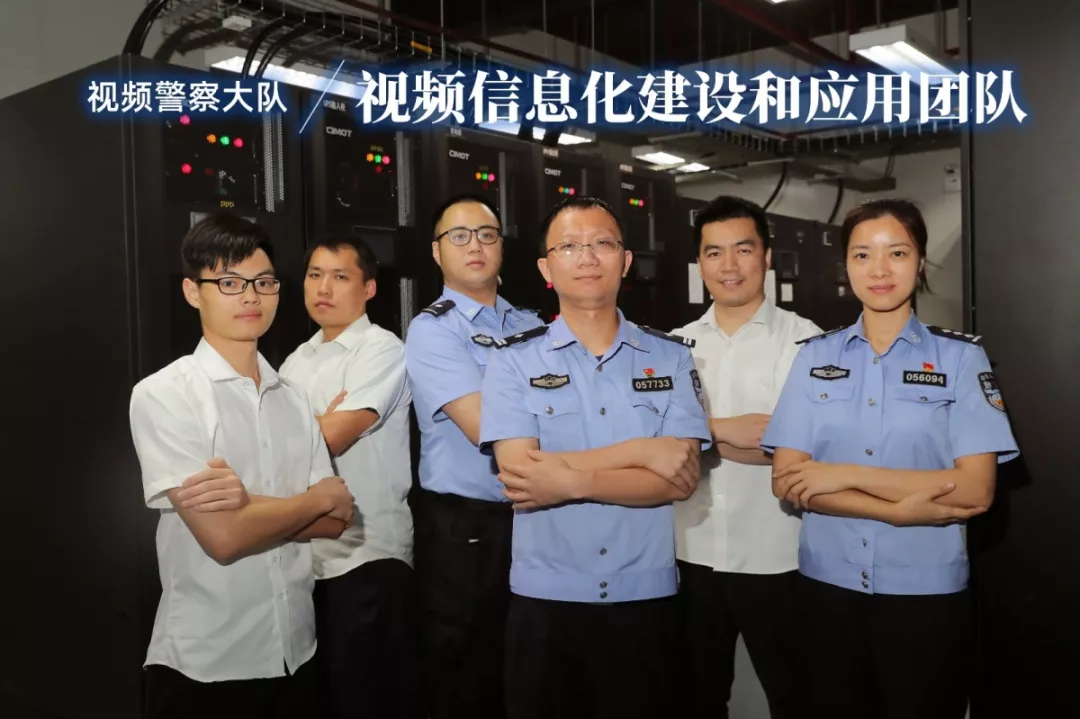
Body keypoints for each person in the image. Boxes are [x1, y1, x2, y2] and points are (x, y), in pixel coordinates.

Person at [761, 198, 1019, 719]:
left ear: (920, 261)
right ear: (846, 266)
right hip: (827, 590)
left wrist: (841, 474)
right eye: (862, 255)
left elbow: (976, 490)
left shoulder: (961, 359)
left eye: (896, 253)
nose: (879, 270)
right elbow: (788, 480)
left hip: (926, 594)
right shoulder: (815, 357)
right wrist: (897, 510)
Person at [479, 196, 713, 719]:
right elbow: (521, 476)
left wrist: (570, 480)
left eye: (602, 243)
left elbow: (678, 480)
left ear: (625, 262)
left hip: (644, 598)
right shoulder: (512, 362)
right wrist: (640, 452)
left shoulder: (671, 357)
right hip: (546, 600)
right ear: (546, 269)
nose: (586, 257)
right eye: (569, 246)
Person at [128, 214, 355, 719]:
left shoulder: (294, 399)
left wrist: (248, 505)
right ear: (193, 291)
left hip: (297, 652)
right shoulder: (165, 394)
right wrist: (313, 499)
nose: (251, 297)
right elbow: (224, 538)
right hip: (206, 663)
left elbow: (336, 521)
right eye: (229, 283)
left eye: (263, 282)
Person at [671, 195, 820, 719]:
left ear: (767, 257)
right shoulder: (675, 347)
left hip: (778, 556)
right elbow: (661, 451)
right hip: (691, 554)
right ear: (699, 263)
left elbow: (792, 453)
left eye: (743, 249)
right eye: (714, 253)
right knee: (696, 699)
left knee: (797, 698)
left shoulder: (806, 342)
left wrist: (696, 433)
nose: (729, 265)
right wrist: (724, 431)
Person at [403, 193, 545, 719]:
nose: (475, 246)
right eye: (459, 236)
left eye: (487, 235)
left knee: (527, 665)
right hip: (467, 527)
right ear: (436, 251)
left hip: (535, 514)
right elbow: (488, 427)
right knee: (465, 668)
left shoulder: (532, 324)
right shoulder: (433, 330)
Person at [278, 235, 419, 719]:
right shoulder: (296, 360)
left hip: (367, 554)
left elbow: (334, 437)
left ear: (369, 289)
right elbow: (274, 446)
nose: (324, 288)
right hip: (306, 558)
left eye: (340, 276)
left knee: (369, 698)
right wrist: (315, 425)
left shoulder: (381, 348)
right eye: (315, 275)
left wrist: (311, 427)